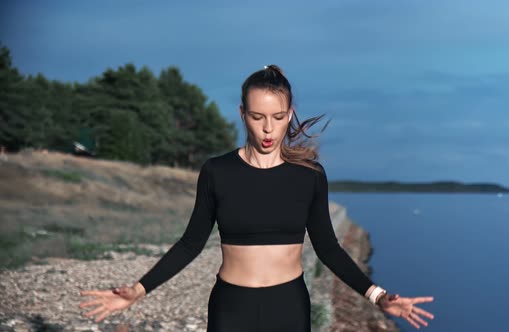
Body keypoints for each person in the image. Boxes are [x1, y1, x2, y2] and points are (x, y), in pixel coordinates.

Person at [79, 64, 435, 331]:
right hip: (231, 306)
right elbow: (190, 243)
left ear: (290, 114)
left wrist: (377, 296)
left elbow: (328, 248)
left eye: (278, 117)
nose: (268, 129)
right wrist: (140, 290)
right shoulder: (217, 171)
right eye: (258, 116)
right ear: (242, 114)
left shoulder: (308, 175)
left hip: (289, 305)